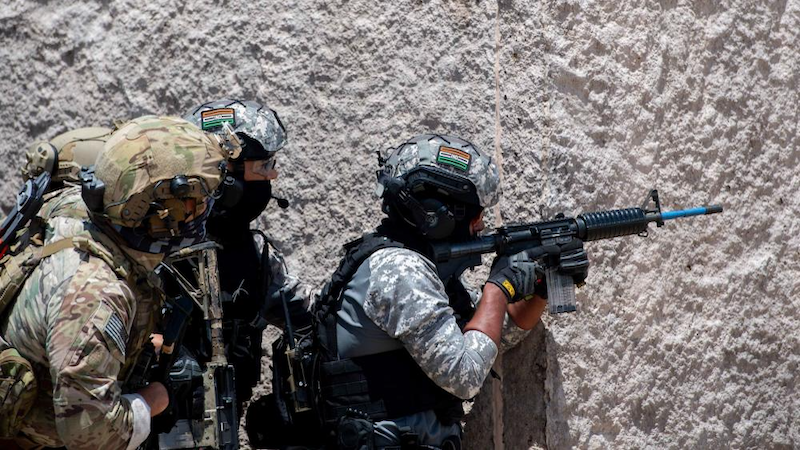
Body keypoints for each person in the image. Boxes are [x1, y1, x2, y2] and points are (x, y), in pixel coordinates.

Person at [254, 134, 590, 449]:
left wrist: (539, 288)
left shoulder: (418, 266)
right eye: (474, 213)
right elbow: (465, 374)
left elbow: (488, 336)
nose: (481, 225)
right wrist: (498, 288)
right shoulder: (400, 271)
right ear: (436, 214)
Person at [0, 116, 228, 450]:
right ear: (163, 212)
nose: (206, 207)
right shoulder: (96, 293)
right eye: (199, 199)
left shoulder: (78, 209)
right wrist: (153, 400)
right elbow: (89, 433)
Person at [182, 98, 311, 415]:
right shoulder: (157, 250)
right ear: (227, 180)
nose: (272, 176)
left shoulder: (254, 252)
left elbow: (304, 311)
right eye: (264, 167)